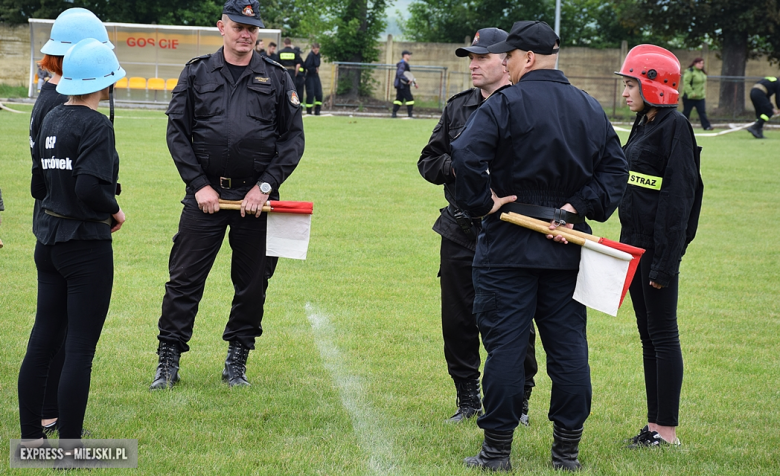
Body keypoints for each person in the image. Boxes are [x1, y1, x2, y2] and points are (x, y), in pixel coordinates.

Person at [451, 21, 628, 471]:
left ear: (527, 58)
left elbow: (466, 155)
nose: (505, 64)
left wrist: (481, 204)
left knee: (506, 348)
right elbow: (614, 171)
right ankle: (565, 454)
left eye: (508, 57)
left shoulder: (506, 103)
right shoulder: (589, 107)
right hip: (566, 242)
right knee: (569, 349)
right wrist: (573, 207)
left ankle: (497, 454)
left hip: (508, 240)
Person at [150, 0, 304, 390]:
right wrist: (198, 185)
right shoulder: (197, 72)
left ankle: (238, 357)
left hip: (255, 200)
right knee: (184, 279)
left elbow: (292, 139)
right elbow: (177, 133)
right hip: (206, 197)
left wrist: (264, 186)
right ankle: (168, 359)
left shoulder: (276, 77)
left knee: (253, 282)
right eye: (239, 26)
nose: (246, 34)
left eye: (252, 28)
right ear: (222, 27)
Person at [418, 27, 538, 426]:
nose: (473, 64)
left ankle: (518, 400)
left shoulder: (525, 105)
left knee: (512, 319)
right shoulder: (458, 107)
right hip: (459, 230)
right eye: (470, 58)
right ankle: (467, 398)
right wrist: (463, 168)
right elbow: (429, 162)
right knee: (457, 319)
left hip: (510, 230)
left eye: (482, 57)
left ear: (506, 60)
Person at [18, 37, 126, 444]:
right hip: (84, 246)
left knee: (42, 340)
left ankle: (31, 440)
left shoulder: (51, 117)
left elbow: (37, 185)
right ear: (105, 82)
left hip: (48, 242)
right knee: (79, 349)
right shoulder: (96, 124)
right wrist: (113, 209)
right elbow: (88, 188)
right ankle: (70, 448)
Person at [616, 44, 704, 448]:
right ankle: (653, 426)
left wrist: (666, 264)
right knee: (647, 336)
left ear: (655, 85)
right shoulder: (644, 123)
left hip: (657, 252)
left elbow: (679, 199)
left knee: (663, 335)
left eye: (631, 84)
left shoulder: (675, 127)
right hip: (632, 247)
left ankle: (666, 430)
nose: (625, 92)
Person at [681, 57, 713, 130]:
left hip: (700, 97)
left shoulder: (702, 72)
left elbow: (701, 85)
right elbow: (686, 83)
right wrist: (691, 93)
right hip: (689, 97)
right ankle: (681, 126)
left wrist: (702, 93)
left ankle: (707, 126)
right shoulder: (690, 71)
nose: (701, 65)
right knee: (686, 112)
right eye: (699, 63)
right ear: (695, 63)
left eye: (702, 63)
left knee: (702, 112)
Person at [277, 38, 305, 103]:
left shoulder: (280, 52)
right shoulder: (295, 52)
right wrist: (295, 73)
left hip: (283, 73)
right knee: (292, 90)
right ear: (290, 43)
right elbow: (298, 65)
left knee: (283, 89)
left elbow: (277, 64)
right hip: (292, 72)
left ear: (284, 44)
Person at [392, 50, 417, 118]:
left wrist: (414, 83)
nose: (410, 56)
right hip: (403, 85)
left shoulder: (403, 64)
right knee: (410, 99)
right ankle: (410, 114)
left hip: (400, 85)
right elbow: (400, 74)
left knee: (399, 99)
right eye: (409, 55)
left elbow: (409, 75)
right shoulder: (402, 64)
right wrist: (407, 80)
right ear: (405, 55)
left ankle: (394, 114)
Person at [303, 43, 323, 115]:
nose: (316, 52)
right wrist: (314, 70)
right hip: (310, 76)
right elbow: (307, 65)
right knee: (310, 93)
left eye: (317, 50)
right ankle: (309, 111)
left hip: (315, 76)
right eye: (315, 50)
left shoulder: (318, 55)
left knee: (319, 93)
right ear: (312, 49)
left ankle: (317, 111)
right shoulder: (310, 55)